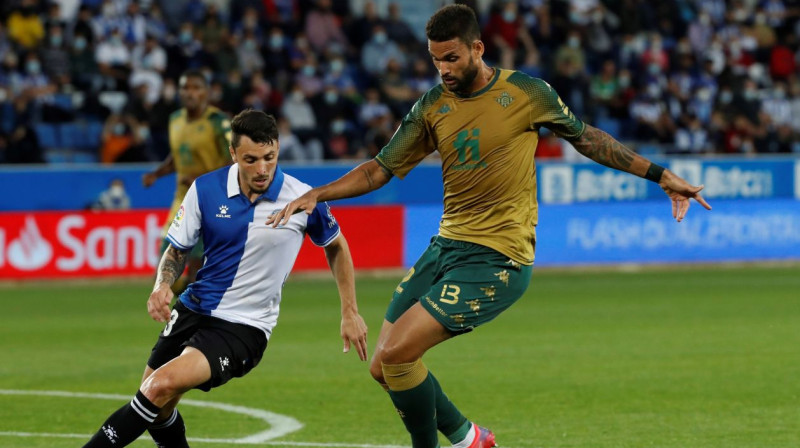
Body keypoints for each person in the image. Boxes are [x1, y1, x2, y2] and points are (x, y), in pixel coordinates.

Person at [268, 5, 711, 448]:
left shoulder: (526, 92)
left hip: (499, 257)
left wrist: (661, 175)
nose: (442, 69)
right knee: (382, 367)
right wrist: (318, 193)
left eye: (452, 58)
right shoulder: (432, 106)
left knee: (399, 355)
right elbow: (379, 169)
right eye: (435, 59)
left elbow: (588, 138)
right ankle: (470, 438)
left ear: (478, 48)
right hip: (446, 247)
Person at [83, 109, 368, 448]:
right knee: (157, 409)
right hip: (193, 308)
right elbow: (177, 250)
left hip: (243, 326)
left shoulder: (301, 197)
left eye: (269, 157)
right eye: (251, 159)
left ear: (277, 149)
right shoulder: (206, 189)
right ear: (233, 153)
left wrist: (349, 311)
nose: (262, 169)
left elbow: (336, 246)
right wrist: (162, 284)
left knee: (158, 387)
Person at [142, 69, 232, 293]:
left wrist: (201, 180)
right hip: (181, 203)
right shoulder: (175, 121)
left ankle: (192, 319)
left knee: (196, 274)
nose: (190, 93)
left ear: (206, 93)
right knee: (162, 277)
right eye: (185, 87)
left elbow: (234, 161)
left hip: (211, 202)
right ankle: (185, 313)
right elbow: (177, 156)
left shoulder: (218, 122)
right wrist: (157, 173)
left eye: (196, 88)